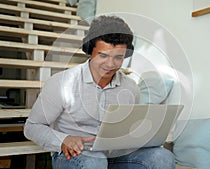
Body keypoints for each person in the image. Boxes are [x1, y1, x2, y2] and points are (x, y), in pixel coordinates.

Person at [24, 15, 175, 169]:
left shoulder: (130, 87)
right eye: (103, 55)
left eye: (118, 57)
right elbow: (32, 127)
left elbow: (130, 129)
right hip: (75, 156)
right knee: (95, 161)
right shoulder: (61, 83)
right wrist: (64, 139)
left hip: (114, 155)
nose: (110, 64)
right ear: (90, 50)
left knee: (162, 157)